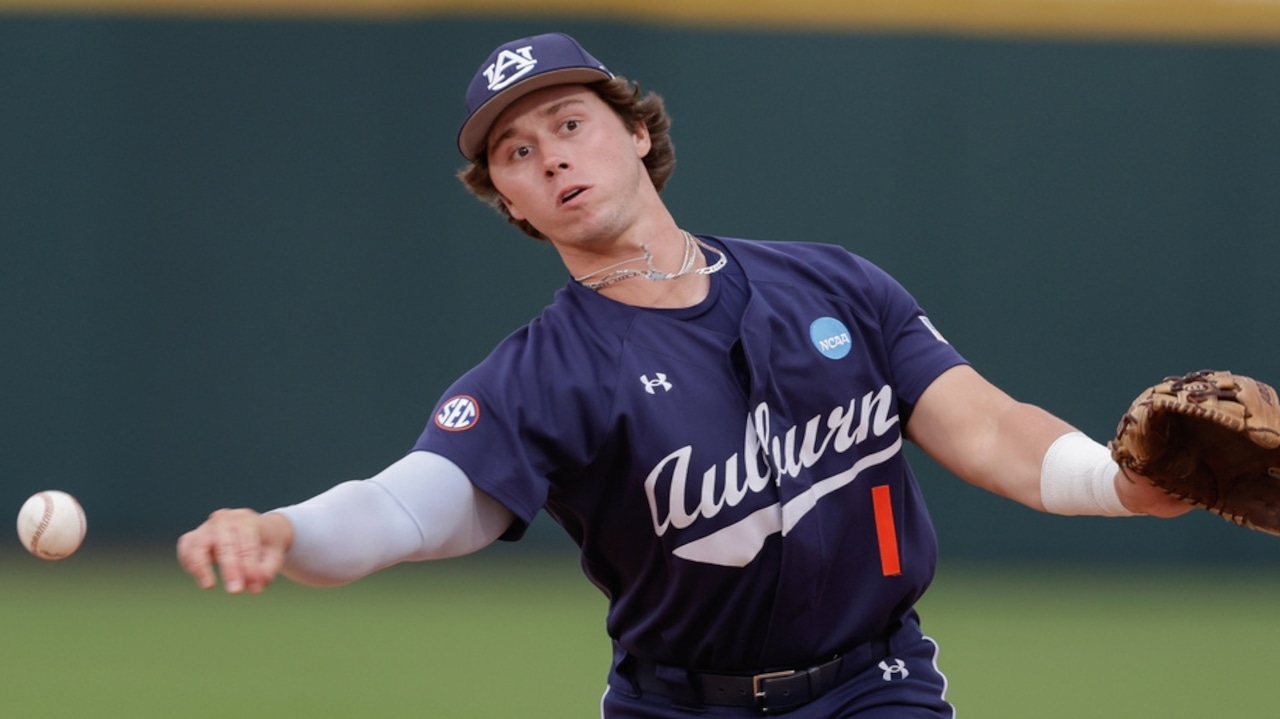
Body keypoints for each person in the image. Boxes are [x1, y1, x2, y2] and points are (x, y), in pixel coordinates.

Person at [177, 32, 1191, 718]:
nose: (552, 160)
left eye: (569, 125)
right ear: (515, 205)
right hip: (678, 701)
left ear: (638, 131)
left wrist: (1116, 483)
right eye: (518, 155)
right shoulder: (543, 372)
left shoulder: (829, 283)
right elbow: (407, 508)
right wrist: (283, 530)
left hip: (874, 685)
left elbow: (986, 428)